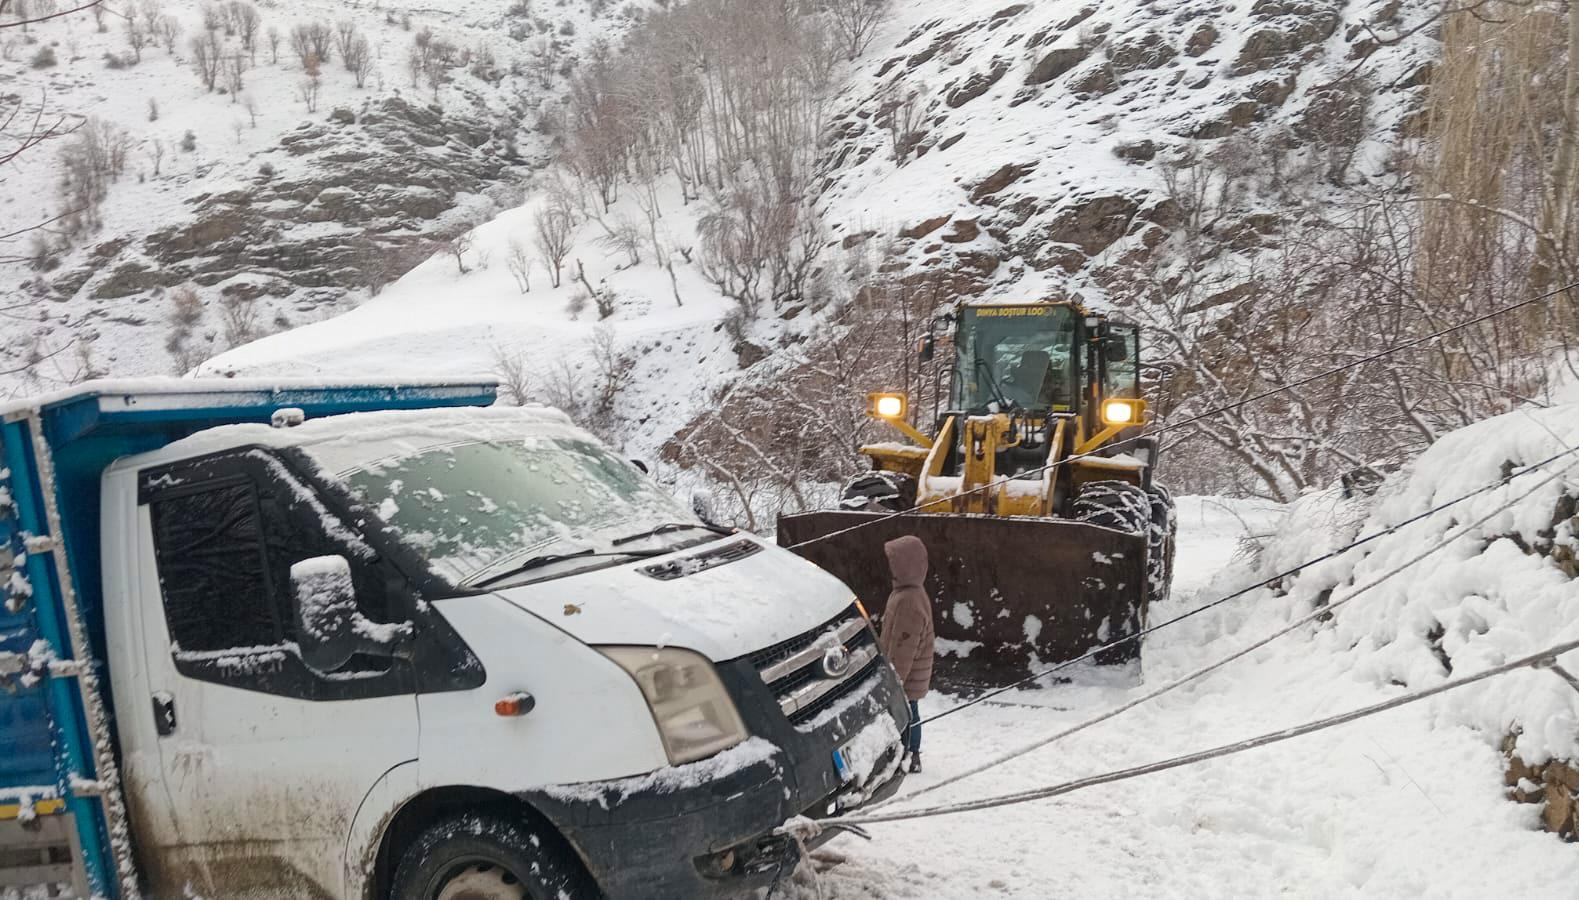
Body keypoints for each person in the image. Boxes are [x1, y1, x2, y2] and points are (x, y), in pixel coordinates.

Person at [878, 535, 935, 774]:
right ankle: (908, 752)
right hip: (910, 670)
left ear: (905, 565)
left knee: (908, 712)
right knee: (909, 711)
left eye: (893, 562)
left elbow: (904, 648)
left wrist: (895, 679)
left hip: (907, 673)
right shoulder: (909, 591)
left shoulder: (908, 601)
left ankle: (911, 755)